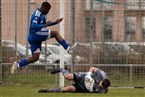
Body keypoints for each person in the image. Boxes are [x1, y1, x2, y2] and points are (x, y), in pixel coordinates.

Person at [11, 1, 77, 74]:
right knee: (55, 33)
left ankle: (18, 64)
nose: (48, 12)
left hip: (34, 39)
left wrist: (55, 22)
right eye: (47, 10)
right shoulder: (37, 14)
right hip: (35, 35)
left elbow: (45, 24)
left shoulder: (42, 15)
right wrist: (45, 25)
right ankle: (68, 48)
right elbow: (33, 26)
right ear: (44, 8)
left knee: (35, 58)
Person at [38, 67, 111, 93]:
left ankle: (46, 91)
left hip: (83, 88)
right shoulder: (101, 74)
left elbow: (98, 93)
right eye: (100, 85)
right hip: (84, 78)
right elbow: (93, 68)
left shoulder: (103, 90)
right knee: (67, 77)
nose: (100, 86)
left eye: (101, 87)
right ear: (102, 80)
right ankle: (61, 70)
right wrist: (89, 74)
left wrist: (90, 89)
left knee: (66, 89)